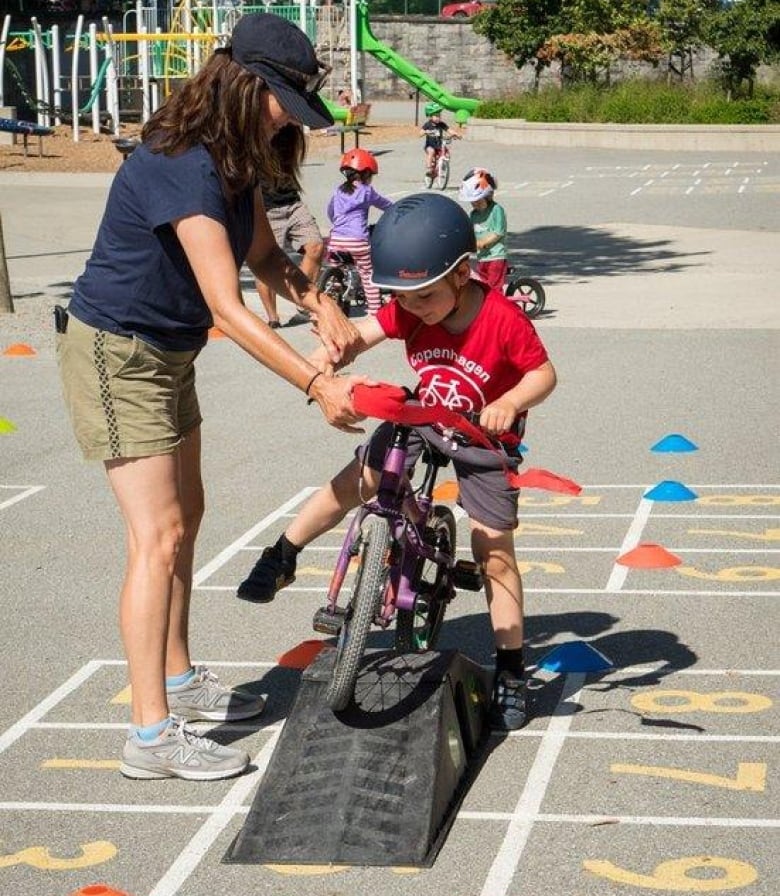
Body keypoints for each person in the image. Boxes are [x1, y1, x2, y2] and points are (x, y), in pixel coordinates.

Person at [55, 13, 368, 782]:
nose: (289, 123)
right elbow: (228, 306)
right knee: (157, 536)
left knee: (187, 519)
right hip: (117, 350)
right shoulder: (180, 159)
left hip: (167, 351)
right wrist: (317, 381)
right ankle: (150, 736)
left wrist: (318, 301)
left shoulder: (230, 158)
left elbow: (263, 254)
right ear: (246, 85)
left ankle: (182, 678)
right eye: (284, 105)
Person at [237, 193, 557, 731]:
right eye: (402, 298)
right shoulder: (410, 307)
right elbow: (362, 334)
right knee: (359, 478)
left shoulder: (502, 319)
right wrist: (331, 354)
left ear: (461, 274)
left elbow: (543, 374)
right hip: (424, 415)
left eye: (425, 297)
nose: (413, 309)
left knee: (494, 550)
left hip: (482, 435)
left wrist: (509, 402)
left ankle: (511, 670)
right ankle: (283, 554)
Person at [324, 148, 393, 317]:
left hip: (336, 241)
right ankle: (374, 311)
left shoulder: (338, 190)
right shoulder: (367, 191)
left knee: (336, 267)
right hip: (357, 242)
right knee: (368, 274)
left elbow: (330, 211)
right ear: (366, 174)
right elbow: (386, 205)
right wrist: (398, 211)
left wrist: (338, 224)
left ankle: (335, 289)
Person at [254, 171, 325, 329]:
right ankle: (273, 317)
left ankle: (302, 299)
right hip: (266, 209)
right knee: (265, 262)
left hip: (293, 204)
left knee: (316, 247)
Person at [459, 167, 508, 291]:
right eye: (472, 202)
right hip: (482, 257)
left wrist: (483, 243)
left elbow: (498, 232)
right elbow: (471, 233)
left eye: (478, 201)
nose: (474, 204)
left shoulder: (496, 210)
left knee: (493, 287)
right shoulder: (474, 215)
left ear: (488, 195)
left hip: (495, 256)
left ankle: (497, 307)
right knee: (482, 286)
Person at [420, 102, 460, 179]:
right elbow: (420, 133)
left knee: (447, 154)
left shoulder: (441, 124)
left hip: (439, 145)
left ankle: (442, 167)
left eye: (439, 116)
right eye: (436, 116)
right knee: (431, 152)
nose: (438, 118)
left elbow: (449, 130)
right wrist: (426, 132)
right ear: (430, 117)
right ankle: (429, 169)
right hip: (430, 145)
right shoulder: (428, 124)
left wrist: (456, 134)